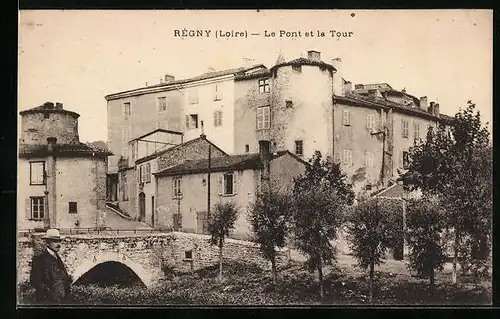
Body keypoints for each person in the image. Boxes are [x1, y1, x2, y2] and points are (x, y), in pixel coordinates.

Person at [29, 229, 72, 304]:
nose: (58, 244)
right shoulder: (39, 259)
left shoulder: (56, 256)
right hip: (47, 301)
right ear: (47, 243)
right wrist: (51, 293)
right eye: (55, 241)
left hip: (61, 301)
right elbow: (35, 280)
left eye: (59, 241)